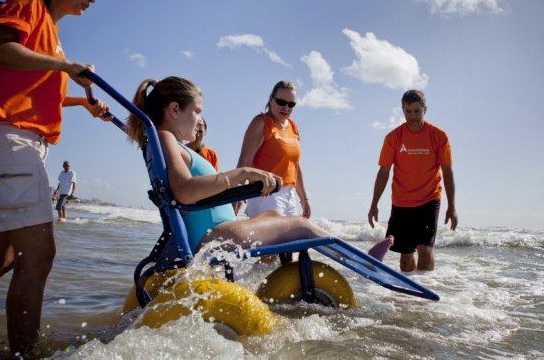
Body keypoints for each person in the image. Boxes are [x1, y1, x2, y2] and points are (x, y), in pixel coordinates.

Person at [0, 0, 116, 355]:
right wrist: (64, 65)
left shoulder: (52, 36)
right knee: (38, 257)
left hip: (12, 142)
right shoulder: (29, 4)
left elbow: (32, 88)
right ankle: (25, 353)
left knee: (0, 259)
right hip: (10, 139)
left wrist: (82, 103)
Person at [125, 76, 394, 259]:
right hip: (215, 237)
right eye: (196, 111)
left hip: (218, 229)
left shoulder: (166, 141)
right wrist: (242, 174)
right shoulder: (165, 137)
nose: (199, 121)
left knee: (274, 215)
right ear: (174, 109)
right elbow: (183, 191)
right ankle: (364, 260)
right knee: (301, 225)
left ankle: (297, 277)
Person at [367, 90, 458, 272]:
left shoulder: (438, 136)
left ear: (425, 110)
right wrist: (374, 204)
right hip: (402, 201)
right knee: (406, 253)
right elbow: (383, 172)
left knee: (424, 248)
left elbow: (447, 171)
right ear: (402, 110)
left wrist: (452, 206)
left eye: (417, 111)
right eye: (408, 111)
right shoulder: (393, 137)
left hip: (429, 198)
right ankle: (410, 296)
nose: (413, 116)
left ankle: (425, 293)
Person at [235, 81, 311, 219]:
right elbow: (244, 161)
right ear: (271, 100)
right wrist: (237, 195)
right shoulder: (261, 123)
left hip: (289, 194)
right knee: (273, 239)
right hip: (265, 193)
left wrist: (304, 200)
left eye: (291, 104)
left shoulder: (293, 127)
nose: (286, 108)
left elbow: (295, 166)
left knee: (292, 239)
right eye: (281, 102)